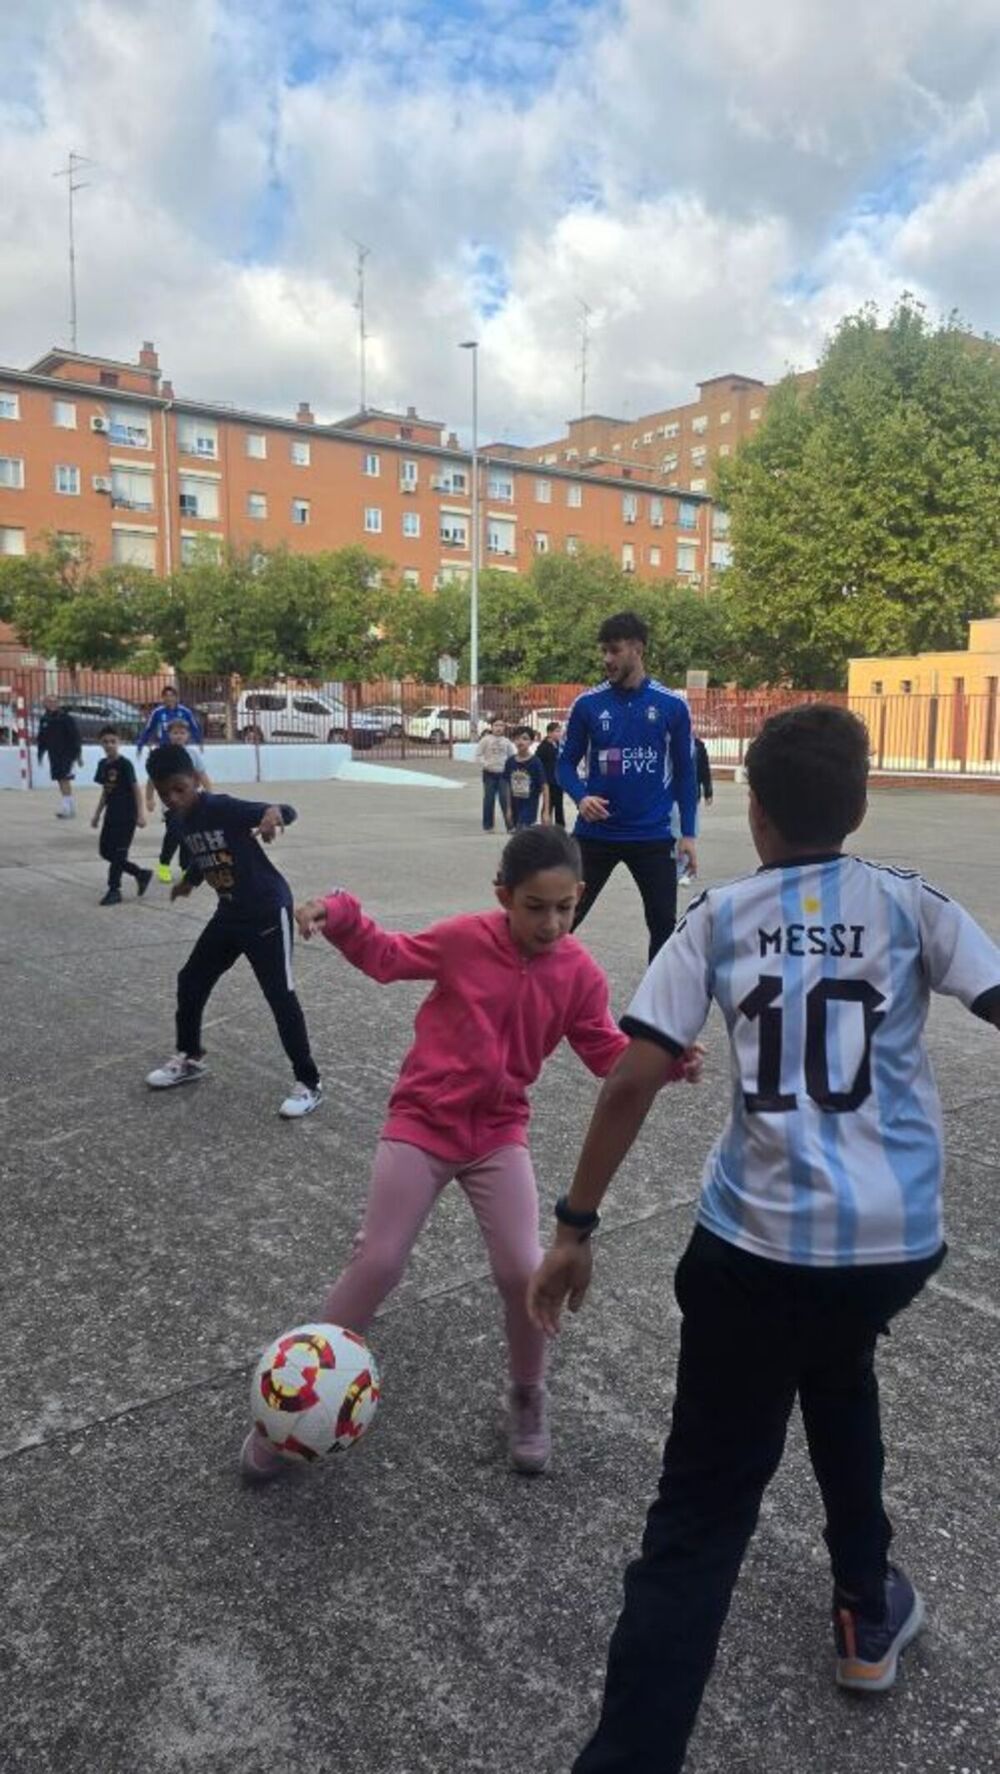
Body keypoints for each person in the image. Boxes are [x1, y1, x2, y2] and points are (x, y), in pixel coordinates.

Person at [529, 704, 1000, 1774]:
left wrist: (577, 1225)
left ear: (753, 810)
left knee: (698, 1515)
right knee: (835, 1365)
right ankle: (864, 1605)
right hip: (891, 1245)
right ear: (861, 801)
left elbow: (634, 1073)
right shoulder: (906, 902)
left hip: (754, 1248)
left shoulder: (721, 916)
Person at [240, 825, 701, 1484]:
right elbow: (387, 956)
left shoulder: (578, 973)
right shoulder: (463, 939)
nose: (551, 924)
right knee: (379, 1260)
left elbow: (604, 1048)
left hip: (496, 1136)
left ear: (580, 897)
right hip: (422, 1124)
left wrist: (668, 1061)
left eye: (565, 908)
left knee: (523, 1271)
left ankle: (527, 1394)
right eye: (535, 908)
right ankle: (293, 1407)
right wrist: (338, 911)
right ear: (503, 896)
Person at [143, 743, 322, 1120]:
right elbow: (201, 852)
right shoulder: (178, 819)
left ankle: (309, 1082)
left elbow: (283, 810)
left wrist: (274, 815)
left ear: (195, 779)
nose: (174, 798)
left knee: (279, 995)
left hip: (266, 911)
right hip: (230, 913)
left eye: (180, 788)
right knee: (191, 979)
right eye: (165, 793)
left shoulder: (220, 806)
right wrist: (190, 881)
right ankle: (190, 1057)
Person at [557, 612, 697, 962]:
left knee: (664, 926)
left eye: (614, 650)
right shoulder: (588, 704)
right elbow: (563, 764)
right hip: (595, 834)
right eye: (603, 651)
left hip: (652, 836)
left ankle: (656, 1011)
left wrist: (689, 835)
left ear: (637, 649)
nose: (607, 659)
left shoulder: (672, 705)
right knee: (561, 919)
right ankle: (539, 997)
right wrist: (581, 796)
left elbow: (685, 773)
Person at [91, 727, 153, 905]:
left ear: (119, 742)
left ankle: (114, 890)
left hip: (127, 815)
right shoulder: (103, 765)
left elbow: (136, 790)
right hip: (111, 814)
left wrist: (140, 814)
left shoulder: (125, 764)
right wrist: (97, 814)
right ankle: (140, 873)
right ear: (100, 743)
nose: (109, 745)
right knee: (105, 851)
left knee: (119, 853)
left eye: (113, 741)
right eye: (105, 742)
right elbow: (106, 792)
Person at [156, 717, 211, 883]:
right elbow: (155, 779)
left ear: (187, 735)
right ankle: (163, 865)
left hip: (190, 801)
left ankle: (185, 867)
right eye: (175, 733)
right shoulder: (164, 753)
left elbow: (202, 776)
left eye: (182, 732)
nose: (178, 736)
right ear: (169, 735)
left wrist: (209, 796)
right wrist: (151, 798)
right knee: (173, 833)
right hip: (171, 802)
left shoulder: (192, 754)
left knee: (188, 836)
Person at [138, 686, 204, 813]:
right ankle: (166, 805)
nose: (169, 698)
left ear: (176, 697)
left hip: (181, 752)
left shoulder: (185, 712)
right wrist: (141, 744)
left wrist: (199, 741)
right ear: (163, 698)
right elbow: (148, 729)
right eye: (166, 696)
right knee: (159, 772)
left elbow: (194, 727)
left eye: (171, 695)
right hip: (164, 749)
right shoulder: (157, 712)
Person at [36, 694, 83, 819]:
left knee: (64, 778)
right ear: (45, 704)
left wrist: (78, 755)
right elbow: (42, 738)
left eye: (54, 702)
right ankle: (70, 806)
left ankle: (66, 808)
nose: (52, 704)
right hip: (54, 754)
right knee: (59, 779)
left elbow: (75, 736)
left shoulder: (65, 718)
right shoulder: (45, 719)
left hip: (68, 754)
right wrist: (40, 753)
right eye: (49, 702)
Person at [677, 732, 714, 890]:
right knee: (673, 833)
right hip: (671, 796)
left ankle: (684, 870)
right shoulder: (672, 744)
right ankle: (676, 868)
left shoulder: (698, 745)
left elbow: (705, 769)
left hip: (692, 796)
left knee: (687, 832)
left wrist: (708, 791)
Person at [475, 716, 515, 832]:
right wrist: (485, 764)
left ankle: (510, 826)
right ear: (491, 727)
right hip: (489, 774)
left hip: (503, 775)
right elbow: (478, 755)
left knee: (505, 800)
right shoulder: (485, 740)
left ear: (504, 728)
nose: (498, 728)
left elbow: (511, 757)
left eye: (501, 725)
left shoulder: (507, 742)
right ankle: (488, 826)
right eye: (496, 725)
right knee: (489, 799)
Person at [504, 727, 549, 829]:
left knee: (522, 829)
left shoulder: (535, 762)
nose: (520, 742)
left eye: (525, 738)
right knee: (518, 834)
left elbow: (545, 786)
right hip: (515, 806)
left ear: (531, 742)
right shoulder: (510, 762)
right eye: (517, 738)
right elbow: (508, 786)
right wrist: (508, 809)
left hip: (529, 806)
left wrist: (545, 811)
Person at [534, 721, 565, 827]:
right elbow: (537, 763)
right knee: (548, 804)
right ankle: (546, 825)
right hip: (548, 780)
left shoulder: (557, 745)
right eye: (557, 731)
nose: (559, 733)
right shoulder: (543, 747)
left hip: (558, 779)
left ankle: (560, 826)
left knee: (559, 804)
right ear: (549, 733)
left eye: (560, 731)